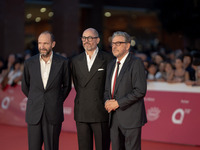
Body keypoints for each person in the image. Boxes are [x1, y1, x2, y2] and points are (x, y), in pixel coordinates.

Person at [21, 31, 71, 150]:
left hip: (53, 112)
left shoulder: (63, 62)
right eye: (40, 43)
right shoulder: (29, 63)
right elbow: (25, 86)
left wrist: (56, 100)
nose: (42, 46)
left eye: (45, 43)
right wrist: (36, 99)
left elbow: (67, 86)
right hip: (34, 113)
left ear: (53, 44)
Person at [71, 28, 113, 150]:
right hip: (81, 111)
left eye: (90, 38)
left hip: (101, 111)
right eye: (84, 38)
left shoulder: (108, 59)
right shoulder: (75, 60)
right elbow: (78, 85)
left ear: (98, 40)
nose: (86, 41)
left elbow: (110, 85)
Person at [104, 31, 147, 150]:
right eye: (113, 43)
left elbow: (140, 90)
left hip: (131, 117)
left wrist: (118, 103)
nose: (114, 46)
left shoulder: (136, 63)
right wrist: (107, 101)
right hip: (113, 117)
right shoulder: (111, 64)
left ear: (127, 45)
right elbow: (107, 89)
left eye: (118, 43)